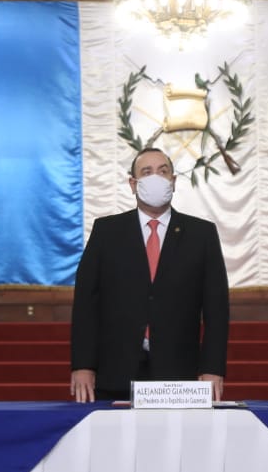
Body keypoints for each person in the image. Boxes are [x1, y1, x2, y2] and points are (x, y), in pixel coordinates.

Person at [70, 147, 230, 402]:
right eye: (147, 172)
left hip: (179, 375)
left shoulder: (202, 235)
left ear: (174, 182)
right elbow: (86, 304)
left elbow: (216, 308)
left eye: (163, 171)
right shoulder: (106, 232)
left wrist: (212, 368)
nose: (156, 177)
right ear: (133, 184)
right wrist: (83, 365)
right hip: (115, 372)